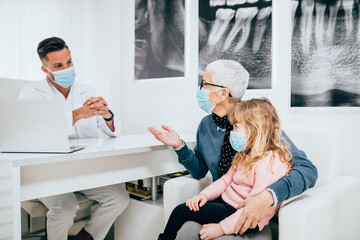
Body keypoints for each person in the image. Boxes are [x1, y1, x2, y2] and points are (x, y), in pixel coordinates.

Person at [148, 59, 318, 240]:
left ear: (222, 93)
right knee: (186, 232)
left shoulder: (259, 124)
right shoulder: (206, 125)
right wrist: (179, 146)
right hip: (223, 202)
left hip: (251, 213)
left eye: (204, 83)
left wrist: (266, 197)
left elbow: (308, 171)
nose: (200, 88)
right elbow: (199, 171)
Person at [19, 37, 129, 240]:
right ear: (46, 70)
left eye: (69, 62)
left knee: (119, 197)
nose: (67, 68)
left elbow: (114, 131)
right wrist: (78, 114)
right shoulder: (31, 93)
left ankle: (86, 237)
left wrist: (107, 115)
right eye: (59, 65)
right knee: (65, 207)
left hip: (84, 170)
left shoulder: (89, 91)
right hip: (47, 172)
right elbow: (35, 133)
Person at [159, 98, 293, 240]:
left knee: (181, 211)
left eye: (236, 127)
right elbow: (225, 181)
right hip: (225, 205)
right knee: (187, 213)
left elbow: (253, 211)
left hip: (239, 212)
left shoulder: (269, 163)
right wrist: (204, 195)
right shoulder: (246, 154)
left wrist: (221, 228)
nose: (232, 132)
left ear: (254, 129)